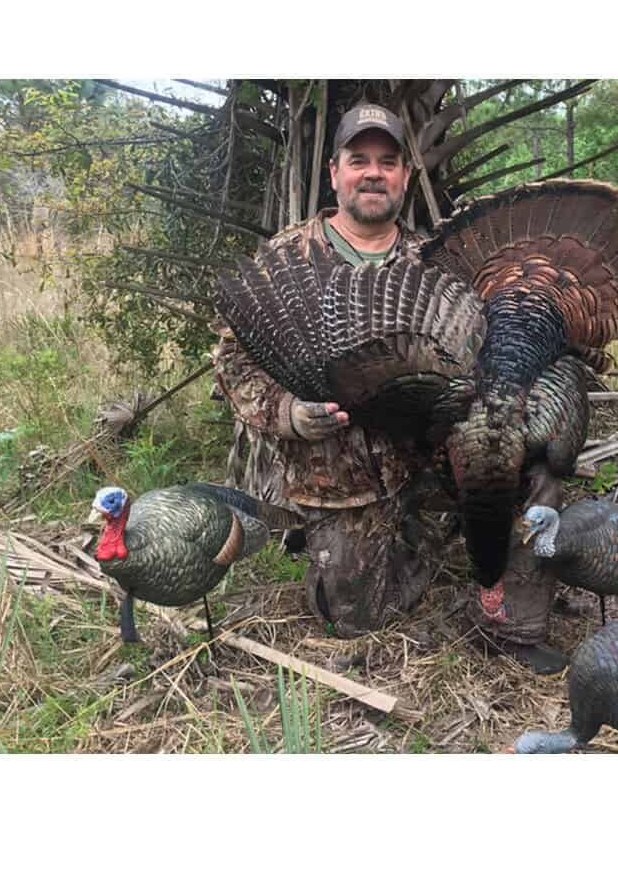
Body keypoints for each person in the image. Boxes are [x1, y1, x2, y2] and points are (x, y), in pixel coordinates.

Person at [213, 102, 567, 673]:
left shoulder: (439, 260)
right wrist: (291, 413)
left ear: (405, 175)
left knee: (531, 466)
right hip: (339, 475)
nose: (373, 173)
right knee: (352, 617)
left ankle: (511, 622)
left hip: (432, 458)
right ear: (334, 173)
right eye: (359, 160)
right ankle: (384, 549)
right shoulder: (289, 256)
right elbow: (234, 361)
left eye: (387, 161)